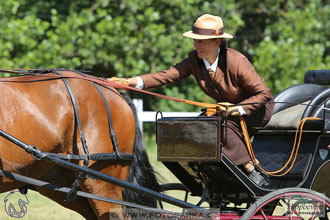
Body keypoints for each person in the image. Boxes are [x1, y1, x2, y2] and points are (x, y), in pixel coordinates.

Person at [109, 14, 274, 187]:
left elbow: (264, 95)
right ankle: (209, 175)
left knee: (218, 127)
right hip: (227, 115)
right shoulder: (194, 60)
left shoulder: (236, 61)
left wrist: (237, 109)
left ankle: (252, 171)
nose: (197, 45)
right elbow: (167, 76)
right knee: (200, 125)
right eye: (195, 40)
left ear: (217, 41)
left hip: (255, 112)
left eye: (202, 41)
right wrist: (129, 82)